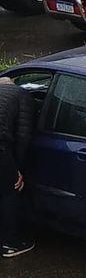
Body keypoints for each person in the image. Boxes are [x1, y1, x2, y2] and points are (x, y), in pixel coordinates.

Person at [0, 75, 36, 258]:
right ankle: (10, 243)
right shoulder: (22, 95)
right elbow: (23, 135)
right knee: (10, 191)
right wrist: (17, 170)